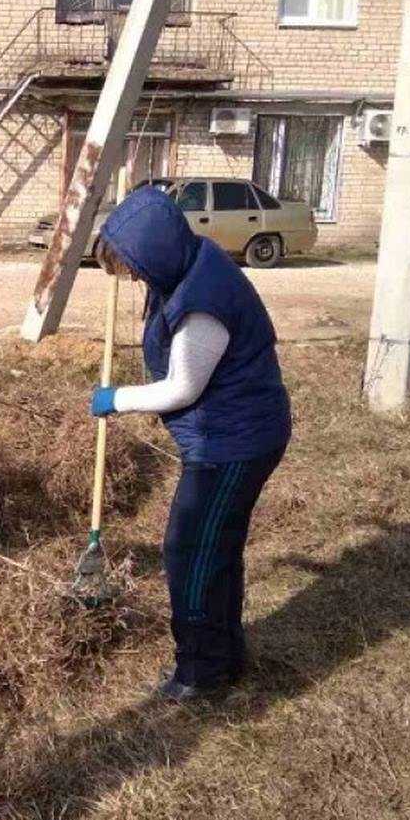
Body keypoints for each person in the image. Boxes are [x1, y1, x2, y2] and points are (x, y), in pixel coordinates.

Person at [90, 186, 291, 702]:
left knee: (191, 552)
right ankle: (224, 657)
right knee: (216, 548)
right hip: (231, 433)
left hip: (232, 444)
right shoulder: (188, 263)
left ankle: (200, 672)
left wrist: (118, 399)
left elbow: (183, 387)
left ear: (154, 252)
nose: (130, 278)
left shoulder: (202, 303)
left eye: (131, 266)